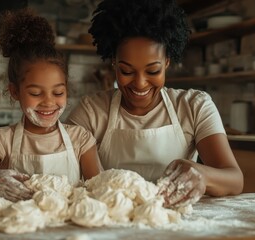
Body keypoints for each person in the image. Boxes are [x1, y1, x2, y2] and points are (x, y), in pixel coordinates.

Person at [66, 0, 243, 208]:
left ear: (167, 61)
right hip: (111, 221)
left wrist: (202, 175)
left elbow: (234, 180)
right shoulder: (92, 111)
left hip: (175, 223)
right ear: (113, 61)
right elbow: (59, 165)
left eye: (152, 71)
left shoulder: (194, 106)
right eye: (126, 71)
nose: (140, 83)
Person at [0, 8, 103, 202]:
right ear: (15, 91)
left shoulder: (81, 140)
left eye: (58, 92)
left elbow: (101, 188)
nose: (49, 102)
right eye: (35, 93)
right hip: (17, 227)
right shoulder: (1, 141)